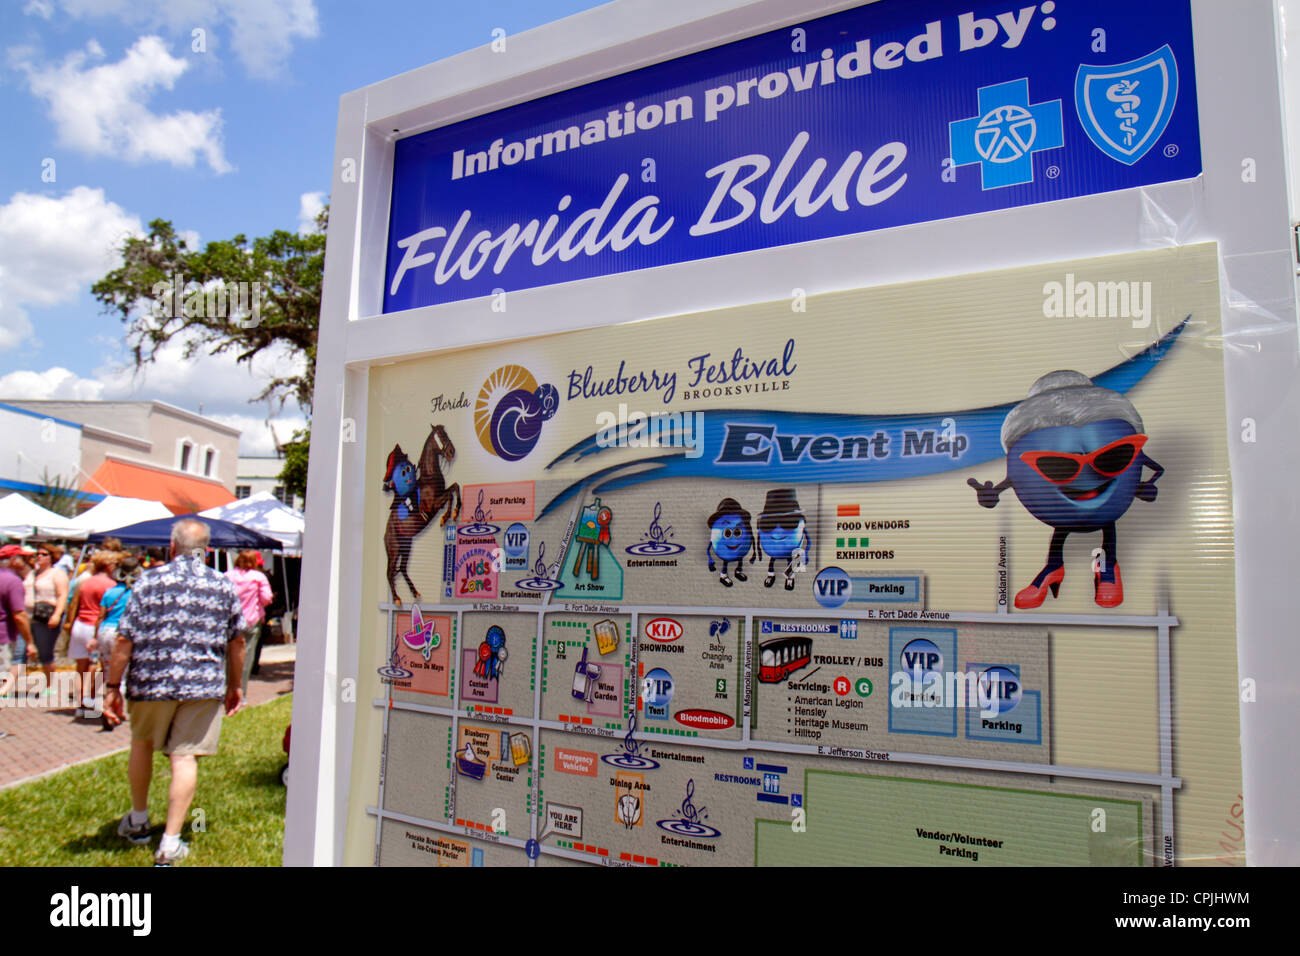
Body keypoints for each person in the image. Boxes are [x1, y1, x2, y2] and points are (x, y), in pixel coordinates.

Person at [104, 519, 245, 866]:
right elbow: (237, 640)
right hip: (202, 685)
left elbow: (125, 639)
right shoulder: (222, 585)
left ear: (172, 547)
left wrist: (112, 686)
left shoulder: (148, 581)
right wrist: (235, 684)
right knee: (184, 757)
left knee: (141, 745)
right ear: (207, 550)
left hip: (151, 681)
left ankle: (138, 821)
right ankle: (170, 842)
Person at [69, 550, 118, 717]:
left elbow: (75, 602)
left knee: (80, 667)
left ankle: (80, 703)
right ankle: (88, 701)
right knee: (97, 666)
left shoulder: (85, 581)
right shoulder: (110, 584)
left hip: (79, 624)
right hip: (94, 627)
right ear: (109, 565)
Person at [225, 550, 272, 693]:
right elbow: (267, 598)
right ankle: (241, 692)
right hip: (251, 620)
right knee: (246, 658)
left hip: (230, 621)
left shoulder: (227, 575)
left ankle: (225, 689)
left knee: (228, 657)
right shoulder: (258, 577)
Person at [26, 544, 68, 700]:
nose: (39, 556)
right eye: (38, 553)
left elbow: (62, 595)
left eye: (43, 554)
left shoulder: (57, 574)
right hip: (30, 616)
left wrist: (57, 615)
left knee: (45, 651)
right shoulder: (32, 573)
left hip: (46, 616)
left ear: (52, 557)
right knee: (24, 651)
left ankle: (50, 685)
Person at [0, 545, 36, 693]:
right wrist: (29, 642)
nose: (28, 561)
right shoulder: (13, 581)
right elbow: (19, 615)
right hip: (3, 637)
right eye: (24, 558)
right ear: (14, 560)